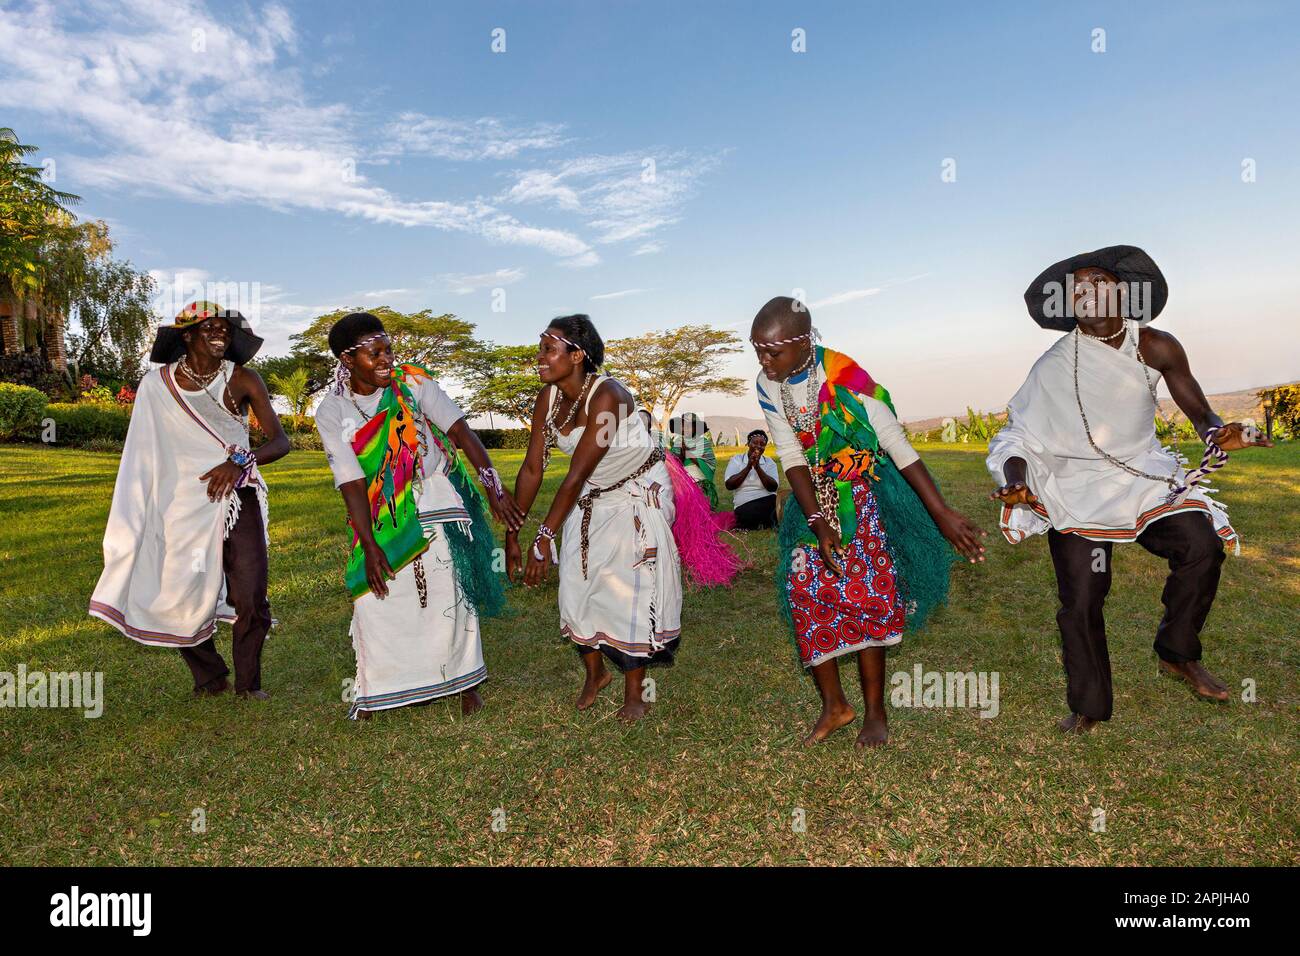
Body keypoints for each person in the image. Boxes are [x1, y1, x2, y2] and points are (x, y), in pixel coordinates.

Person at [987, 246, 1272, 734]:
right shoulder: (1054, 363)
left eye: (1096, 282)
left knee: (1201, 546)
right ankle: (1089, 705)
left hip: (1142, 474)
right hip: (1073, 484)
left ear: (1122, 290)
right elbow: (1017, 435)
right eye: (1076, 288)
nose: (1086, 292)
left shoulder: (1156, 345)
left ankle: (1177, 652)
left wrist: (1218, 432)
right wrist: (1016, 479)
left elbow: (1201, 412)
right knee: (1081, 595)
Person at [752, 296, 987, 747]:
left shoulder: (849, 381)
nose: (764, 360)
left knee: (867, 597)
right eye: (757, 349)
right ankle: (835, 706)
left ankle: (875, 711)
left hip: (860, 497)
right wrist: (818, 521)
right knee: (803, 591)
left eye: (773, 351)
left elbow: (897, 446)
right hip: (812, 500)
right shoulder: (769, 383)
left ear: (805, 343)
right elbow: (791, 453)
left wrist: (940, 513)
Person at [507, 314, 737, 721]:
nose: (539, 357)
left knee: (629, 580)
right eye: (540, 348)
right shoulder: (548, 397)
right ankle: (595, 675)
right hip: (593, 491)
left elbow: (575, 474)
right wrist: (513, 531)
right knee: (578, 580)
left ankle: (636, 691)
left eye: (549, 348)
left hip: (638, 489)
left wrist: (543, 537)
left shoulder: (609, 395)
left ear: (577, 355)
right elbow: (531, 469)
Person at [314, 312, 522, 719]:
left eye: (388, 350)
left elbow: (461, 432)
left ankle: (464, 681)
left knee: (450, 592)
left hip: (435, 500)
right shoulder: (333, 410)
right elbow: (351, 480)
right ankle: (383, 687)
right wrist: (370, 545)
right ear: (347, 360)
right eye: (375, 353)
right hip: (380, 514)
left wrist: (493, 486)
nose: (386, 359)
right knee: (377, 601)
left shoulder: (412, 383)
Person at [89, 301, 289, 700]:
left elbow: (280, 441)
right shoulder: (156, 385)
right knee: (175, 589)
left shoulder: (244, 380)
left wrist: (238, 462)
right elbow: (145, 450)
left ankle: (249, 685)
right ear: (186, 336)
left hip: (236, 496)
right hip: (178, 503)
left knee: (250, 592)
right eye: (209, 327)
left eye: (225, 329)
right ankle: (210, 675)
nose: (219, 334)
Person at [724, 429, 780, 529]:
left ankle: (761, 523)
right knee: (762, 510)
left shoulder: (769, 462)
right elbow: (729, 485)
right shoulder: (737, 460)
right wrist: (748, 467)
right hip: (745, 505)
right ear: (748, 444)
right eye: (755, 442)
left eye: (762, 444)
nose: (758, 446)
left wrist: (758, 467)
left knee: (777, 501)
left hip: (768, 502)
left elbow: (772, 488)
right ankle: (766, 522)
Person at [668, 412, 720, 509]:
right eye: (684, 426)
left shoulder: (703, 442)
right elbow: (674, 463)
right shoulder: (678, 442)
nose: (686, 429)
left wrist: (688, 453)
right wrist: (682, 455)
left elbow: (709, 463)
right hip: (682, 480)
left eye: (690, 426)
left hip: (700, 480)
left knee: (700, 506)